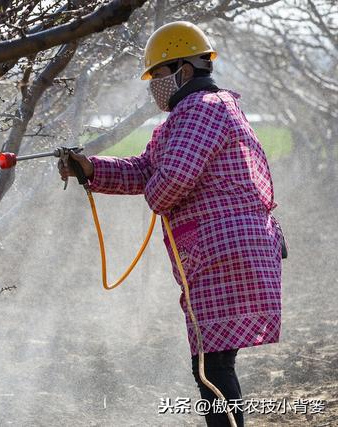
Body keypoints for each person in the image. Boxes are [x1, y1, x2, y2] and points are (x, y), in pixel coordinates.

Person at [58, 21, 284, 427]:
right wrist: (90, 168)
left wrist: (155, 195)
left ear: (184, 68)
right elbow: (149, 169)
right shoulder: (199, 113)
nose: (155, 85)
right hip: (227, 248)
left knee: (212, 368)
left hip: (222, 251)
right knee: (213, 363)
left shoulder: (200, 110)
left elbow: (168, 183)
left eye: (159, 74)